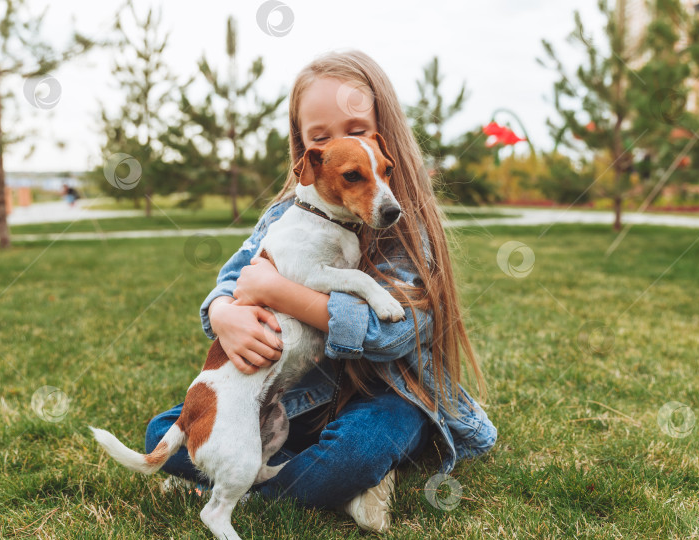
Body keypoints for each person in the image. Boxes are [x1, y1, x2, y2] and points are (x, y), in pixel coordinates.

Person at [145, 49, 497, 532]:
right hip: (295, 398)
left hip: (381, 397)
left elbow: (392, 334)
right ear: (307, 157)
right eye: (320, 137)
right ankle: (309, 483)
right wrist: (225, 312)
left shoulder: (405, 228)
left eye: (354, 130)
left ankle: (257, 480)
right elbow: (233, 280)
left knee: (360, 449)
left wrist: (284, 294)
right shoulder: (286, 216)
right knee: (163, 432)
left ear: (380, 134)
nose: (341, 147)